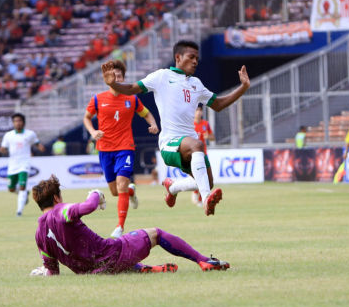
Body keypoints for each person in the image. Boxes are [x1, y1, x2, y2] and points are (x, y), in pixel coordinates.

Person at [101, 40, 251, 216]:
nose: (195, 61)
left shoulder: (196, 84)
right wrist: (114, 84)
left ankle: (173, 188)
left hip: (188, 146)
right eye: (191, 57)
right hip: (170, 143)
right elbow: (132, 88)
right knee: (198, 146)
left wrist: (244, 87)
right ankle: (205, 199)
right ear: (178, 57)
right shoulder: (162, 76)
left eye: (197, 58)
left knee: (206, 181)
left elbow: (218, 104)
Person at [30, 175, 229, 276]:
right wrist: (96, 193)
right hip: (111, 254)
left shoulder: (39, 235)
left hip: (91, 271)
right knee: (156, 234)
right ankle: (203, 261)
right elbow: (90, 205)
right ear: (56, 197)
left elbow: (52, 272)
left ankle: (147, 269)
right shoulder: (62, 210)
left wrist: (42, 272)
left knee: (119, 248)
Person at [85, 59, 160, 238]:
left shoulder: (131, 99)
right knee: (114, 191)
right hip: (104, 149)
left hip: (125, 147)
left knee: (121, 185)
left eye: (118, 76)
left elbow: (147, 113)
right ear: (106, 77)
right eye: (112, 75)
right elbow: (86, 118)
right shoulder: (98, 99)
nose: (115, 77)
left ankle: (119, 226)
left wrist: (153, 124)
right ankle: (131, 190)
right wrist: (93, 131)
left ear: (122, 78)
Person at [0, 113, 46, 217]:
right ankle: (25, 195)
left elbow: (37, 143)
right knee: (11, 188)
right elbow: (3, 147)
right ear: (13, 123)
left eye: (19, 120)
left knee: (22, 186)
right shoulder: (8, 135)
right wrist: (2, 149)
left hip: (24, 164)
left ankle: (19, 211)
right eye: (15, 121)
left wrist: (40, 147)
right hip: (12, 165)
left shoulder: (30, 134)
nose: (18, 123)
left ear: (23, 122)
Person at [191, 103, 216, 206]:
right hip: (193, 155)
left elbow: (213, 137)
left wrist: (208, 136)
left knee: (205, 176)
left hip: (204, 154)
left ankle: (202, 199)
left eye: (200, 110)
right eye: (197, 110)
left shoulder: (206, 124)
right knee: (197, 176)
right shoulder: (190, 124)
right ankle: (195, 191)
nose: (199, 112)